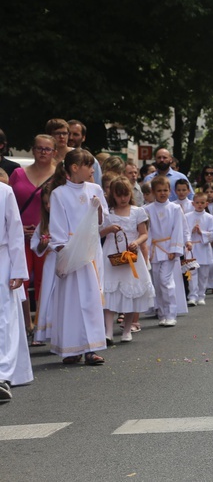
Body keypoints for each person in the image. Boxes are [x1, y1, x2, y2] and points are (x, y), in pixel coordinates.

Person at [48, 149, 107, 365]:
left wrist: (98, 208)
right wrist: (66, 250)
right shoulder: (59, 194)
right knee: (71, 300)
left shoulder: (96, 189)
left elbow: (103, 220)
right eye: (89, 165)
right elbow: (57, 227)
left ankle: (92, 348)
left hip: (90, 251)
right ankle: (71, 348)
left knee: (91, 299)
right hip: (72, 251)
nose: (93, 170)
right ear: (74, 168)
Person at [9, 134, 57, 343]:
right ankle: (26, 324)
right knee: (21, 278)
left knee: (44, 281)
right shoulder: (18, 174)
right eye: (39, 148)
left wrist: (43, 231)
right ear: (32, 149)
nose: (42, 152)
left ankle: (41, 326)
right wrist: (18, 228)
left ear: (54, 152)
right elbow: (8, 206)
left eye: (47, 149)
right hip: (19, 236)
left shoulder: (59, 176)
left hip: (48, 236)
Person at [99, 176, 154, 343]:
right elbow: (97, 233)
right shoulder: (108, 213)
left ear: (130, 194)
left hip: (131, 254)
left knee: (132, 291)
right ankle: (108, 331)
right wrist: (108, 229)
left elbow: (144, 233)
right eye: (118, 195)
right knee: (109, 292)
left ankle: (127, 329)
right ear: (112, 196)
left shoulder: (138, 212)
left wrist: (136, 242)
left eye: (125, 195)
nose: (123, 199)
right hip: (111, 254)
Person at [0, 179, 32, 403]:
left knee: (5, 317)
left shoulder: (5, 192)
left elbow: (14, 232)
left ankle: (2, 375)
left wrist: (18, 269)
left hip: (2, 259)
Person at [145, 176, 187, 327]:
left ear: (170, 191)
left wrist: (174, 249)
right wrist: (147, 251)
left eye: (165, 190)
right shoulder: (147, 209)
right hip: (155, 249)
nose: (162, 193)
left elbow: (178, 229)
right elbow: (147, 231)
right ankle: (162, 313)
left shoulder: (175, 209)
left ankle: (171, 313)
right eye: (159, 191)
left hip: (169, 249)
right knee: (157, 282)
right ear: (153, 192)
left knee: (166, 281)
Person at [30, 186, 55, 345]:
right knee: (47, 296)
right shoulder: (43, 224)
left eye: (50, 202)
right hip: (51, 262)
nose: (48, 206)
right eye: (45, 203)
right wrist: (43, 244)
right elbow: (36, 247)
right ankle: (45, 331)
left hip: (65, 261)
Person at [185, 192, 213, 306]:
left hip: (203, 248)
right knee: (192, 273)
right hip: (192, 248)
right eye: (197, 203)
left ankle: (201, 295)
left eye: (202, 203)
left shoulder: (209, 217)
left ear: (206, 204)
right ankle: (192, 296)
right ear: (193, 203)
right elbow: (184, 231)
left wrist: (202, 233)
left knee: (203, 274)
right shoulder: (187, 216)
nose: (199, 205)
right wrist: (191, 232)